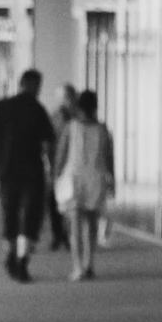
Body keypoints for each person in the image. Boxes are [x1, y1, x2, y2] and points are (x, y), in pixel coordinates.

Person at [0, 69, 57, 282]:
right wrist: (53, 170)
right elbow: (48, 143)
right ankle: (22, 263)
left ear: (20, 83)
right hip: (32, 172)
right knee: (30, 218)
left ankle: (10, 255)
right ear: (35, 86)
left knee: (10, 215)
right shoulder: (38, 110)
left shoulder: (2, 107)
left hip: (7, 171)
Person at [52, 89, 116, 282]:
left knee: (76, 225)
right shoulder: (103, 129)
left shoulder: (71, 127)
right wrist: (112, 182)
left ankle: (78, 266)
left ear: (78, 107)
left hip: (74, 179)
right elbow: (109, 158)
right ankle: (89, 264)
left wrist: (55, 175)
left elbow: (61, 153)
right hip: (95, 179)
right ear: (96, 107)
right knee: (91, 225)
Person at [47, 83, 80, 255]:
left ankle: (68, 235)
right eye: (64, 98)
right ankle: (58, 235)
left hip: (74, 165)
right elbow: (49, 141)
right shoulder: (55, 117)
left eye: (69, 97)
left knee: (71, 201)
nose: (67, 101)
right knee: (55, 201)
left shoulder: (79, 117)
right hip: (58, 163)